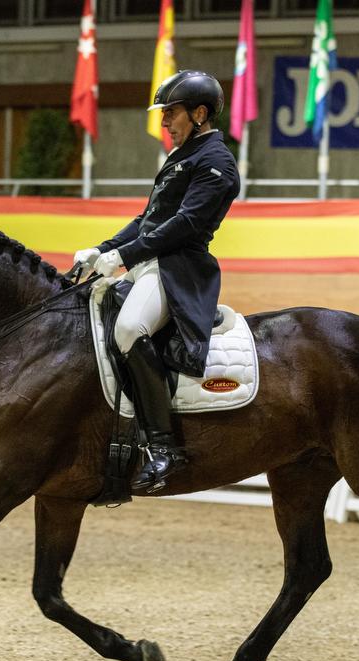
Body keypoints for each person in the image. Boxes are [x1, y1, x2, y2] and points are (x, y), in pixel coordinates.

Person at [72, 70, 241, 493]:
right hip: (153, 262)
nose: (165, 122)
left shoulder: (215, 162)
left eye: (172, 113)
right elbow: (148, 220)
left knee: (130, 328)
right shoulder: (183, 155)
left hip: (178, 268)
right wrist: (103, 249)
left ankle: (165, 448)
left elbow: (184, 225)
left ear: (200, 114)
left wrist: (123, 256)